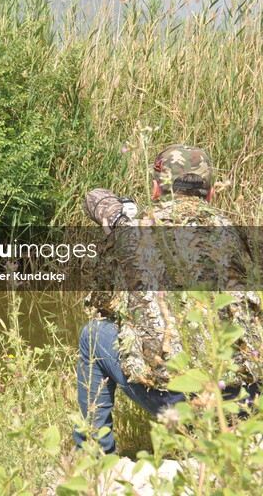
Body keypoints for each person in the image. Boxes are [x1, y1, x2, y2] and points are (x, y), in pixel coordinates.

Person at [75, 145, 263, 454]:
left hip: (185, 408)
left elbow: (101, 304)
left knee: (93, 335)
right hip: (245, 400)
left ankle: (93, 457)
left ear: (155, 188)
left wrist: (116, 238)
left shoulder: (136, 230)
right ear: (211, 192)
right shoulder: (238, 232)